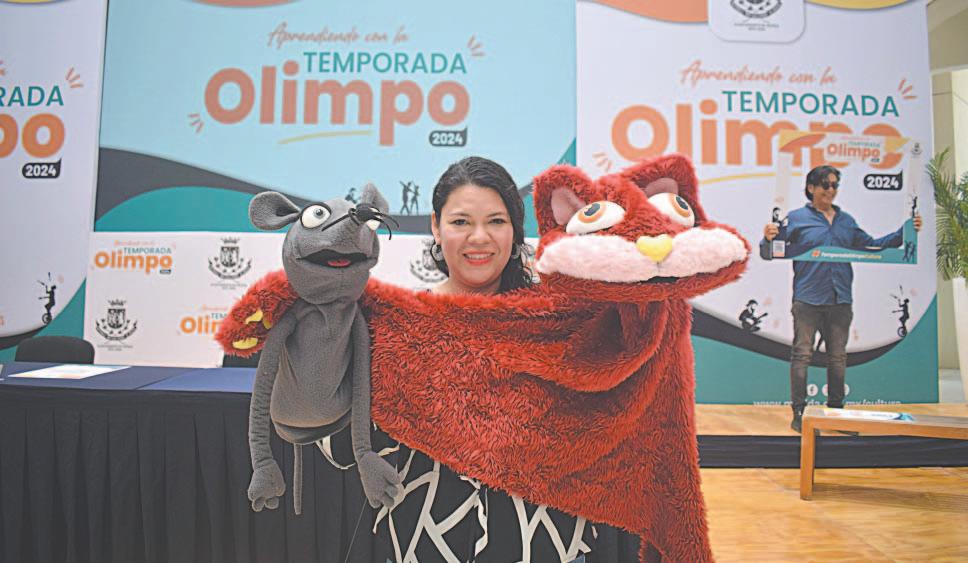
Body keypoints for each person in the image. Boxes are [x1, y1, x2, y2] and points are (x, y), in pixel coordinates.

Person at [372, 156, 595, 562]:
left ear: (514, 230)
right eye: (460, 222)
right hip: (426, 541)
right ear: (436, 226)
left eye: (495, 221)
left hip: (543, 542)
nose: (479, 237)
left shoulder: (554, 320)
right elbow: (357, 444)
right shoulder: (400, 324)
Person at [762, 165, 921, 433]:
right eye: (825, 185)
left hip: (840, 299)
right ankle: (799, 414)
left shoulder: (846, 221)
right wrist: (767, 239)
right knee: (802, 355)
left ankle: (836, 414)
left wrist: (905, 231)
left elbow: (872, 244)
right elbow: (770, 251)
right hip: (807, 300)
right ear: (811, 188)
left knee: (837, 358)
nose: (831, 190)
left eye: (835, 185)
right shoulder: (796, 219)